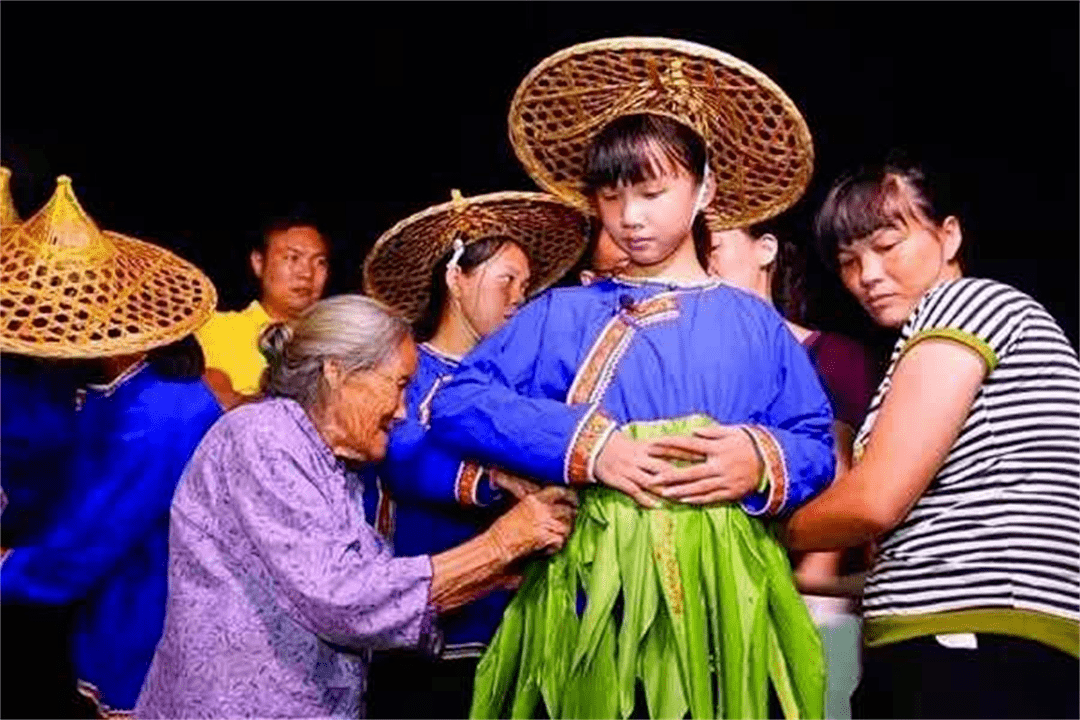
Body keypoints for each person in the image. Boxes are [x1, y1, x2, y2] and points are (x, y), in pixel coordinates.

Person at [429, 38, 835, 719]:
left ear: (704, 189)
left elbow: (816, 442)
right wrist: (592, 446)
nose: (630, 216)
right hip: (588, 606)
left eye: (652, 191)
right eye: (612, 196)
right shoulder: (560, 312)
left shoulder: (755, 324)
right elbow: (459, 401)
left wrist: (758, 458)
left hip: (722, 610)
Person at [134, 295, 580, 720]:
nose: (403, 411)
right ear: (337, 372)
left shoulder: (331, 463)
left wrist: (486, 577)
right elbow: (343, 598)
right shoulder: (261, 438)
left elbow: (367, 591)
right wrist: (498, 545)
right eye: (400, 384)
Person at [783, 158, 1080, 719]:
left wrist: (764, 532)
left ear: (949, 235)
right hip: (994, 638)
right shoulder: (963, 330)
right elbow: (933, 548)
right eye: (849, 261)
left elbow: (876, 501)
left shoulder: (965, 304)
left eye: (887, 245)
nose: (867, 274)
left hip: (969, 646)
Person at [359, 190, 587, 718]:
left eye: (526, 287)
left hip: (515, 631)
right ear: (456, 279)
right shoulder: (407, 373)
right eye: (506, 280)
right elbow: (403, 453)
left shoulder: (525, 384)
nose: (517, 299)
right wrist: (494, 477)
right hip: (427, 635)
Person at [0, 176, 222, 717]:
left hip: (158, 616)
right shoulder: (108, 383)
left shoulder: (163, 411)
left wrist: (8, 565)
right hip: (116, 599)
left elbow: (87, 540)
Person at [703, 211, 878, 719]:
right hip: (713, 610)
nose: (703, 264)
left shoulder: (836, 358)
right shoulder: (694, 368)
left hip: (811, 612)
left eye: (714, 247)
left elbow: (850, 502)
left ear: (766, 249)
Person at [196, 209, 329, 409]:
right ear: (258, 263)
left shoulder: (336, 340)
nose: (307, 273)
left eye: (319, 262)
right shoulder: (215, 329)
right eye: (293, 258)